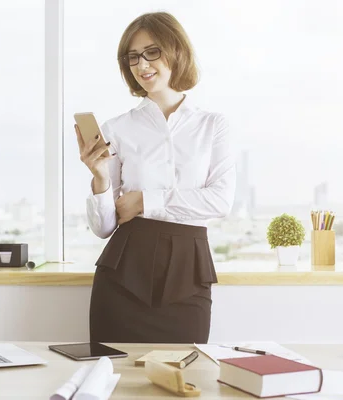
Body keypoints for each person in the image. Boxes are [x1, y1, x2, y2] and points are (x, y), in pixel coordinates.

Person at [75, 11, 236, 344]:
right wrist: (100, 177)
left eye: (152, 52)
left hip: (188, 270)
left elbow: (220, 201)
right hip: (123, 270)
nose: (142, 64)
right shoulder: (116, 128)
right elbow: (105, 226)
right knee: (114, 381)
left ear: (175, 50)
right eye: (133, 57)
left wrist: (145, 200)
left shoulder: (212, 125)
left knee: (185, 379)